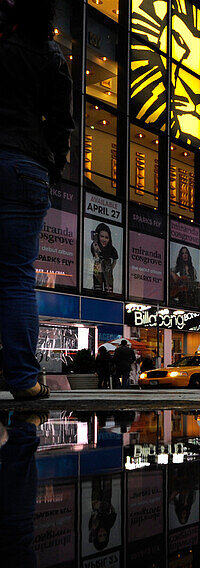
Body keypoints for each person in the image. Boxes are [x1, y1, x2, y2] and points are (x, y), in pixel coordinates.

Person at [0, 0, 74, 401]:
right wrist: (53, 168)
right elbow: (61, 123)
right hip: (26, 165)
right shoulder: (50, 57)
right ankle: (26, 380)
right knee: (15, 278)